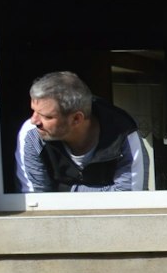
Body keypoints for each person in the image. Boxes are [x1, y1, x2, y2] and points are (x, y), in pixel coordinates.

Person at [16, 72, 148, 193]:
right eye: (34, 111)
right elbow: (36, 200)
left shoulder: (124, 135)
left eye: (47, 117)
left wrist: (66, 189)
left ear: (76, 119)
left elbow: (128, 199)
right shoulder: (32, 134)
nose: (34, 121)